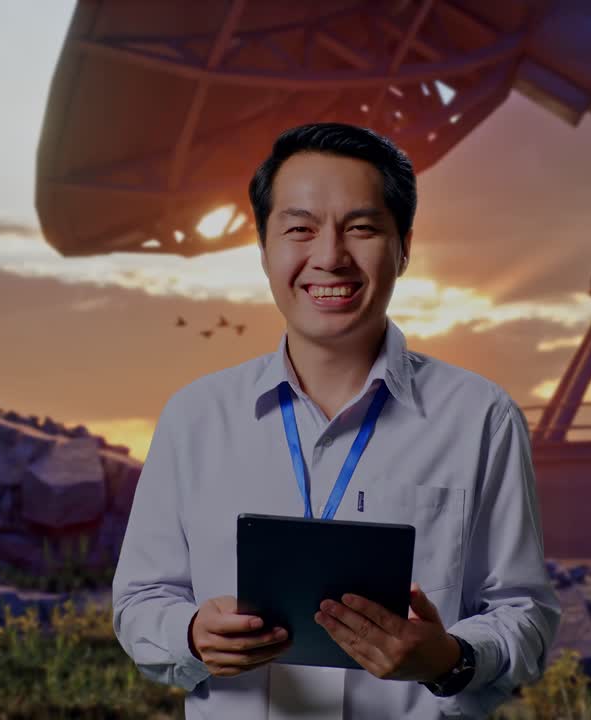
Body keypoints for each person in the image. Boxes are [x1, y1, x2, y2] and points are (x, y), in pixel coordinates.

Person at [111, 122, 562, 719]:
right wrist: (191, 633)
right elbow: (140, 600)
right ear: (264, 249)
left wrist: (450, 658)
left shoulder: (481, 418)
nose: (329, 257)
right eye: (299, 228)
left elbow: (524, 612)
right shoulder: (195, 417)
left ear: (403, 246)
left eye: (362, 228)